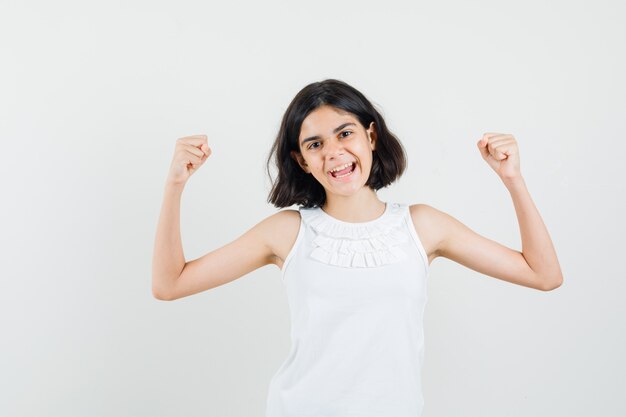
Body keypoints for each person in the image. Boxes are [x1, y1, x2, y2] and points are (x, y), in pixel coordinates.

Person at [152, 78, 563, 416]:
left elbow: (542, 274)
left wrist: (513, 179)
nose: (334, 153)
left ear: (370, 135)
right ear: (302, 161)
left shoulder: (421, 225)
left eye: (344, 133)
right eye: (314, 145)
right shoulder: (287, 231)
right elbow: (170, 284)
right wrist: (175, 185)